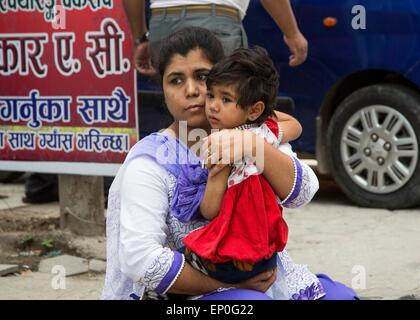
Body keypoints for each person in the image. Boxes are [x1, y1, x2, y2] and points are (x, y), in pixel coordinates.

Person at [102, 26, 358, 300]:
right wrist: (225, 287)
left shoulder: (249, 132)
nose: (192, 91)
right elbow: (140, 260)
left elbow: (303, 193)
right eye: (175, 80)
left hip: (259, 278)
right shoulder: (151, 162)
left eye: (202, 77)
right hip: (184, 295)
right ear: (163, 90)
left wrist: (253, 146)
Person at [179, 46, 299, 284]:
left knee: (184, 256)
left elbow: (210, 210)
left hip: (232, 256)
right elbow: (295, 125)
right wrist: (261, 117)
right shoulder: (263, 134)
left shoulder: (220, 145)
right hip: (266, 251)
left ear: (254, 109)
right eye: (211, 95)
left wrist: (216, 171)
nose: (212, 106)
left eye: (226, 99)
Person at [123, 0, 309, 76]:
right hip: (218, 21)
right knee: (224, 108)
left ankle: (189, 159)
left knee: (184, 108)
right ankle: (212, 160)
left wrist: (140, 37)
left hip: (162, 23)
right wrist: (292, 33)